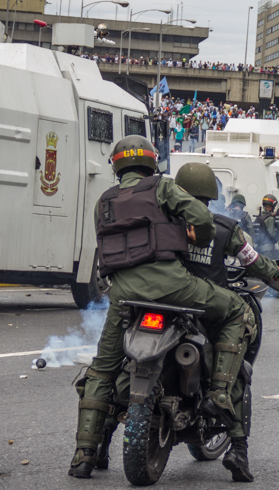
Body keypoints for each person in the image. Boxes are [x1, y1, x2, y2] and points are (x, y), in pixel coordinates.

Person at [68, 137, 254, 480]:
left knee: (102, 370)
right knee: (236, 311)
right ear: (152, 164)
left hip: (123, 295)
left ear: (116, 166)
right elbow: (201, 218)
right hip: (174, 288)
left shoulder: (104, 201)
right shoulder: (161, 188)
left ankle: (84, 455)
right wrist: (192, 237)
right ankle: (218, 394)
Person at [174, 163, 279, 481]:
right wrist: (277, 274)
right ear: (212, 194)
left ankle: (99, 440)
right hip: (209, 312)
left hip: (166, 308)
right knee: (232, 368)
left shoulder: (164, 222)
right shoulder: (223, 226)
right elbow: (254, 261)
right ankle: (238, 449)